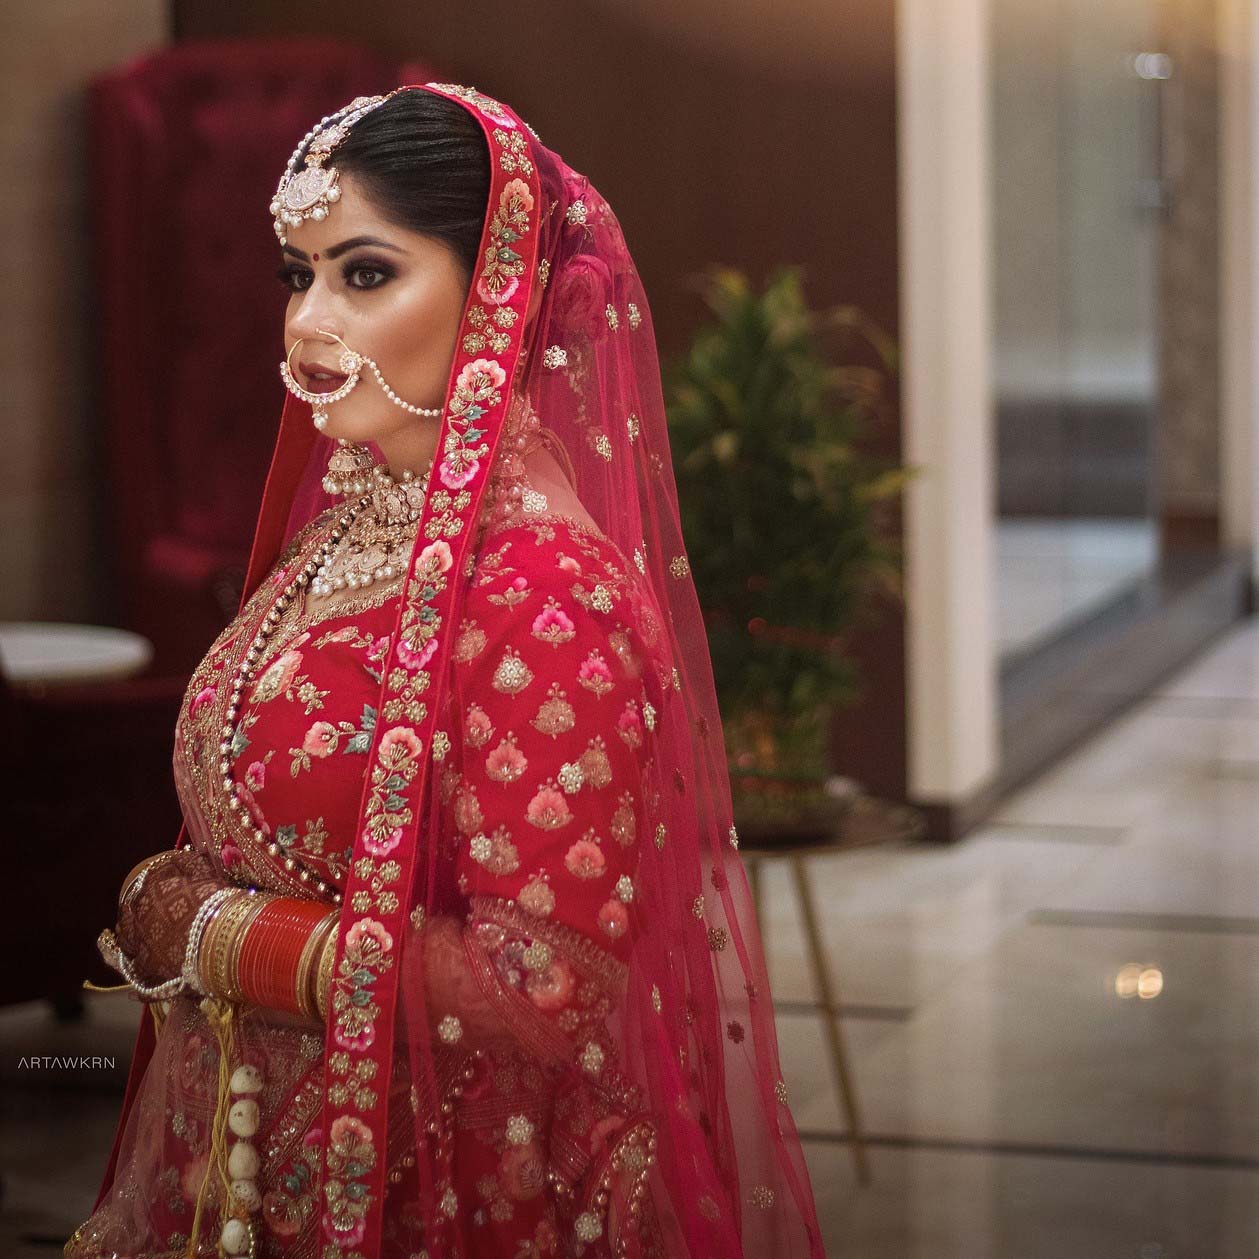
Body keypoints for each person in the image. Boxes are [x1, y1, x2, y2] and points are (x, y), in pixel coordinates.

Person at [66, 82, 825, 1258]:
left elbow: (542, 978)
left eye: (363, 274)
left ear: (500, 293)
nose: (309, 323)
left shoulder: (541, 590)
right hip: (247, 1156)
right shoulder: (340, 531)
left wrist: (218, 934)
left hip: (450, 1185)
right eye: (297, 274)